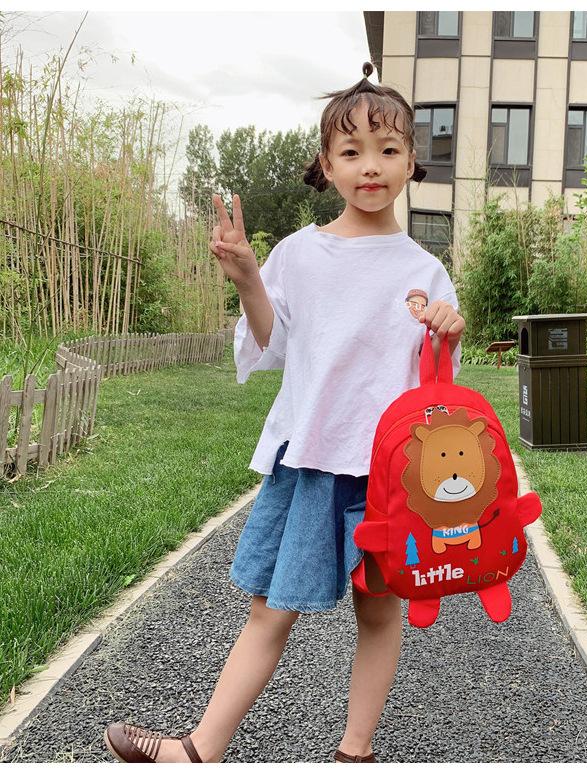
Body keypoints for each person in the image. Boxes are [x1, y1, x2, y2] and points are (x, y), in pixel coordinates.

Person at [104, 61, 465, 764]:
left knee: (379, 610)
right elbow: (270, 343)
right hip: (310, 458)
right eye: (351, 151)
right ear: (327, 166)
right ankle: (200, 749)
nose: (370, 165)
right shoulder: (301, 253)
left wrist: (448, 330)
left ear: (410, 162)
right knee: (270, 609)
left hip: (389, 477)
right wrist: (248, 276)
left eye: (388, 149)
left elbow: (436, 386)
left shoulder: (424, 269)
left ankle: (355, 751)